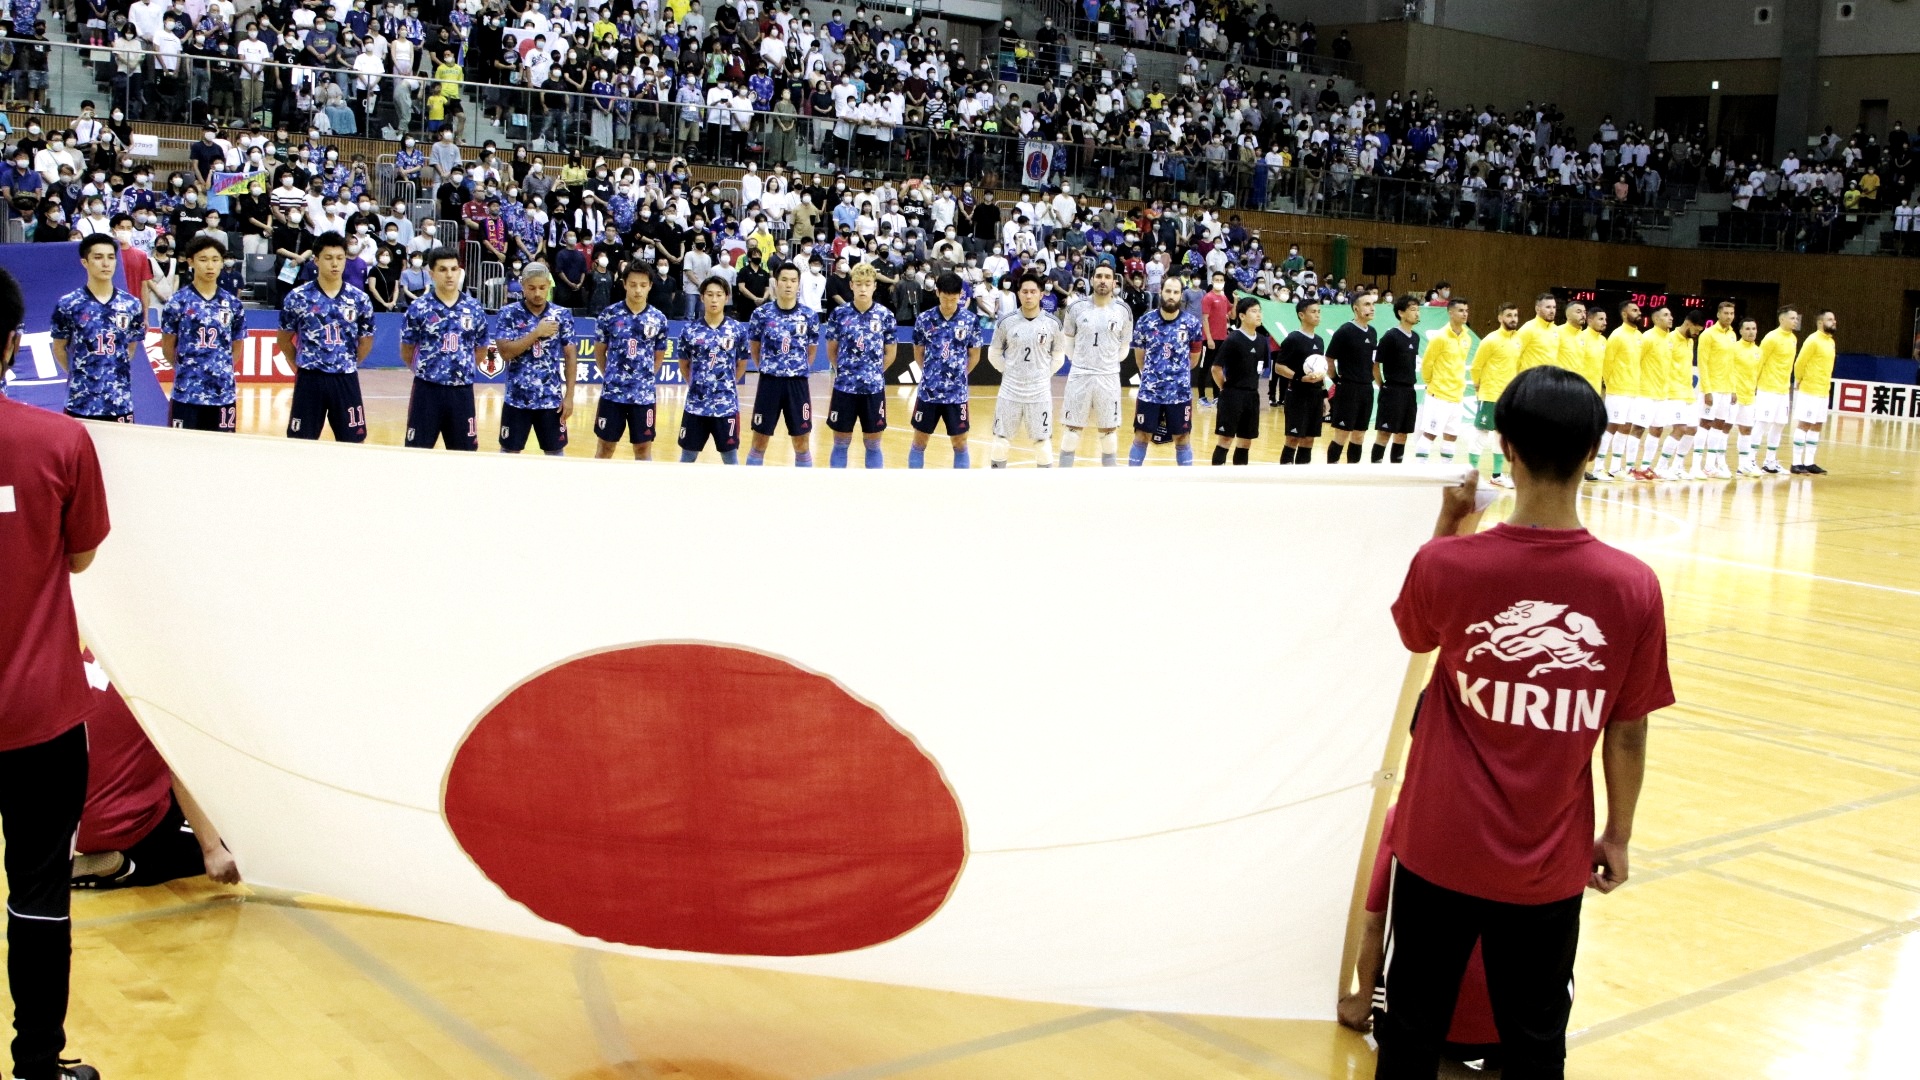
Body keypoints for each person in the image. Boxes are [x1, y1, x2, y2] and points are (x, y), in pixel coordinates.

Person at [1376, 365, 1672, 1080]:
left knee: (1411, 1031)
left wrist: (1449, 525)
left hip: (1436, 847)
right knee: (1536, 1042)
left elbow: (1416, 637)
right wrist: (1619, 835)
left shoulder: (1448, 564)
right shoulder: (1632, 587)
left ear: (1503, 446)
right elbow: (1627, 729)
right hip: (1547, 863)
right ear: (1595, 452)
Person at [0, 263, 112, 1080]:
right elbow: (79, 556)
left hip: (40, 716)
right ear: (13, 344)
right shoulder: (62, 441)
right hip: (37, 715)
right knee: (39, 893)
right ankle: (38, 1063)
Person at [1340, 805, 1500, 1071]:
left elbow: (1374, 924)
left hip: (1417, 1023)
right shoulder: (1538, 819)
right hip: (1515, 1033)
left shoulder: (1405, 814)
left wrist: (1364, 998)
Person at [69, 650, 241, 891]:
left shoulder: (98, 645)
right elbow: (183, 771)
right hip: (113, 826)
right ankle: (131, 867)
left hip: (61, 820)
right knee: (238, 843)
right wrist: (212, 849)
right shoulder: (169, 675)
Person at [278, 232, 375, 442]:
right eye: (328, 258)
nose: (335, 264)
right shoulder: (298, 297)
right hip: (310, 379)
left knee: (353, 441)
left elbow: (366, 339)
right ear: (316, 260)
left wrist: (349, 362)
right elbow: (284, 339)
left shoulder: (360, 299)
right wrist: (301, 365)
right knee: (300, 441)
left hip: (345, 378)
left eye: (340, 258)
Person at [399, 247, 490, 451]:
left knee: (464, 454)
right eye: (442, 269)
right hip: (427, 391)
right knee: (416, 452)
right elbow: (407, 350)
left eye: (453, 269)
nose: (449, 275)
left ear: (459, 271)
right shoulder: (419, 307)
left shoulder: (474, 308)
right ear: (431, 274)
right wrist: (430, 371)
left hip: (461, 392)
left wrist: (459, 370)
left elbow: (481, 350)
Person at [51, 233, 146, 423]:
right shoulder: (69, 304)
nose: (106, 263)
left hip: (120, 402)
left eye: (111, 257)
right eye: (98, 257)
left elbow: (132, 346)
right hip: (81, 402)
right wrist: (78, 372)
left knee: (121, 451)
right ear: (84, 262)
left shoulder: (131, 304)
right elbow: (59, 348)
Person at [158, 234, 245, 433]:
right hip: (186, 393)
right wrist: (189, 369)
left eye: (215, 260)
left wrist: (219, 371)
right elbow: (167, 348)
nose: (210, 266)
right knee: (183, 450)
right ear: (191, 262)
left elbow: (237, 347)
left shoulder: (233, 304)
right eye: (203, 260)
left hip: (222, 394)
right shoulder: (177, 302)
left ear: (222, 263)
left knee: (221, 449)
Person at [492, 262, 578, 456]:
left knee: (555, 454)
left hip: (551, 401)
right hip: (516, 399)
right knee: (508, 452)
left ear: (548, 285)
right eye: (531, 288)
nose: (538, 293)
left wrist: (570, 396)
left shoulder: (562, 315)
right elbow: (505, 352)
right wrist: (536, 333)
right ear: (523, 286)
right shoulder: (509, 313)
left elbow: (570, 356)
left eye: (542, 288)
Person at [1056, 263, 1133, 467]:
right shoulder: (1076, 307)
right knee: (1072, 430)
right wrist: (1082, 362)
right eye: (1098, 276)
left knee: (1108, 431)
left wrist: (1106, 363)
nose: (1102, 280)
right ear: (1092, 280)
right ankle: (1063, 477)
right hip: (1080, 375)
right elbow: (1067, 341)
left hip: (1108, 377)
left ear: (1114, 282)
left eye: (1107, 277)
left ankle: (1109, 481)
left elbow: (1124, 347)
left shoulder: (1123, 310)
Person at [745, 263, 821, 467]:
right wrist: (768, 367)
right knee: (759, 440)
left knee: (802, 442)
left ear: (798, 285)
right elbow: (755, 348)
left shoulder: (809, 316)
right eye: (784, 280)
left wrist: (798, 369)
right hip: (769, 383)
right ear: (776, 283)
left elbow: (811, 350)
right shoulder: (761, 315)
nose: (789, 285)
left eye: (793, 281)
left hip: (797, 384)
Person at [593, 262, 670, 461]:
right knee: (605, 448)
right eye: (633, 284)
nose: (638, 290)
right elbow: (600, 352)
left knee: (643, 450)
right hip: (612, 396)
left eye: (643, 285)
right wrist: (611, 376)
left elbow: (659, 355)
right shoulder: (609, 315)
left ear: (650, 286)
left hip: (643, 397)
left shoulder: (658, 319)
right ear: (624, 284)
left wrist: (643, 380)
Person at [822, 263, 895, 469]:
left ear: (874, 286)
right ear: (851, 285)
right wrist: (846, 372)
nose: (863, 288)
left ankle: (873, 490)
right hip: (844, 388)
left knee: (873, 444)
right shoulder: (839, 314)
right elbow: (832, 351)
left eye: (868, 284)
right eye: (859, 284)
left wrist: (873, 373)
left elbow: (890, 353)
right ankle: (838, 489)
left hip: (873, 390)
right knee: (840, 442)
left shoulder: (885, 315)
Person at [987, 273, 1062, 469]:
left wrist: (1043, 375)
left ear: (1041, 295)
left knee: (1042, 443)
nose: (1029, 296)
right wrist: (1009, 372)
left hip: (1039, 393)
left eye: (1033, 292)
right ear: (1018, 294)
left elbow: (1059, 356)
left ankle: (1043, 490)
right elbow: (993, 353)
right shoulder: (1006, 322)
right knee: (1000, 441)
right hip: (1010, 391)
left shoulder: (1053, 324)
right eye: (1025, 292)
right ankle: (997, 484)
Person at [909, 272, 982, 470]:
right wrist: (931, 375)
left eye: (953, 298)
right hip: (928, 393)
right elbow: (918, 352)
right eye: (944, 297)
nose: (949, 303)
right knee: (920, 440)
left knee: (960, 442)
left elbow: (974, 355)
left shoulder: (970, 320)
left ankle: (961, 488)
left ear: (960, 295)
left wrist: (961, 376)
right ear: (937, 292)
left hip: (957, 395)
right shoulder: (925, 319)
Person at [677, 276, 749, 464]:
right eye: (709, 294)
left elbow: (742, 363)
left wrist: (727, 385)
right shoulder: (690, 330)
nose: (714, 299)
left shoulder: (737, 330)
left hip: (726, 407)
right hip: (695, 406)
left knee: (730, 457)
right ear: (701, 297)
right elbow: (684, 364)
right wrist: (696, 384)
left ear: (727, 297)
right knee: (687, 457)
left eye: (719, 295)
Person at [1466, 302, 1521, 487]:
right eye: (1509, 315)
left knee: (1502, 436)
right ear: (1500, 318)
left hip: (1508, 398)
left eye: (1515, 315)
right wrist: (1478, 388)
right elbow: (1476, 366)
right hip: (1490, 395)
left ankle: (1497, 475)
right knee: (1481, 434)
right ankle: (1471, 474)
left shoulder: (1517, 340)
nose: (1513, 319)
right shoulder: (1490, 340)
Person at [1208, 296, 1266, 466]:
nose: (1258, 315)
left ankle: (1240, 479)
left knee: (1246, 441)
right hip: (1233, 395)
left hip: (1252, 396)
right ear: (1241, 316)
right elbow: (1216, 368)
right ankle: (1216, 478)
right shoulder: (1233, 339)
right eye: (1253, 311)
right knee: (1225, 439)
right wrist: (1226, 389)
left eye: (1259, 311)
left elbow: (1261, 370)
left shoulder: (1262, 341)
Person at [1412, 298, 1471, 463]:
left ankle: (1445, 472)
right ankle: (1421, 471)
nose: (1465, 314)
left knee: (1451, 436)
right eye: (1460, 310)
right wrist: (1433, 384)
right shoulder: (1440, 337)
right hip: (1439, 394)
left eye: (1466, 310)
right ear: (1450, 313)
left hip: (1457, 396)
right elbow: (1427, 364)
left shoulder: (1467, 337)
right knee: (1430, 434)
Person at [1325, 292, 1379, 463]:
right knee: (1342, 433)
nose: (1371, 308)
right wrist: (1336, 381)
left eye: (1372, 304)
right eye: (1367, 304)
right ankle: (1331, 471)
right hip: (1348, 389)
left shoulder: (1372, 332)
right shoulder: (1345, 331)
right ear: (1356, 308)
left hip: (1366, 389)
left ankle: (1352, 471)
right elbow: (1329, 359)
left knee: (1359, 435)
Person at [1596, 300, 1646, 480]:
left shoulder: (1640, 336)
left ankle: (1616, 467)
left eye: (1639, 309)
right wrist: (1611, 385)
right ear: (1625, 314)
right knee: (1611, 426)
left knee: (1626, 427)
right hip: (1618, 390)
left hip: (1634, 390)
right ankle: (1598, 467)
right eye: (1634, 310)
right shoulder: (1617, 335)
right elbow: (1607, 363)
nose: (1638, 312)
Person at [1275, 297, 1328, 464]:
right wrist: (1300, 378)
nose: (1317, 315)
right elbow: (1279, 367)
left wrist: (1325, 395)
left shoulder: (1319, 340)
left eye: (1319, 312)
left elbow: (1321, 370)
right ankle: (1285, 474)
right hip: (1297, 395)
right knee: (1293, 437)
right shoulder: (1293, 339)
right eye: (1313, 312)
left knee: (1309, 439)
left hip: (1315, 395)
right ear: (1301, 315)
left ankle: (1303, 474)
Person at [1656, 311, 1705, 480]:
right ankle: (1661, 466)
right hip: (1673, 391)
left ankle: (1677, 466)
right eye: (1697, 330)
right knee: (1680, 428)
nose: (1697, 334)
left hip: (1688, 392)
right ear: (1689, 323)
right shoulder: (1670, 340)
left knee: (1692, 429)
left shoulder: (1689, 341)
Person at [1373, 294, 1422, 463]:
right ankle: (1375, 470)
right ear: (1401, 313)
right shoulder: (1390, 336)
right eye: (1413, 309)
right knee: (1384, 433)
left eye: (1418, 309)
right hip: (1392, 391)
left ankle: (1396, 469)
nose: (1417, 313)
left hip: (1409, 392)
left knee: (1402, 434)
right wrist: (1383, 386)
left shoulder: (1415, 337)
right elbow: (1375, 365)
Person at [1695, 300, 1740, 480]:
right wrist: (1707, 390)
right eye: (1726, 313)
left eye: (1731, 314)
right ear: (1718, 314)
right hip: (1712, 388)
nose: (1729, 317)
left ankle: (1710, 465)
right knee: (1705, 423)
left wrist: (1733, 389)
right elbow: (1702, 363)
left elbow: (1731, 364)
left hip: (1727, 388)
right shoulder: (1708, 335)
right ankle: (1697, 465)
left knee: (1719, 425)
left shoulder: (1732, 335)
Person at [1752, 306, 1800, 475]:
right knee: (1762, 423)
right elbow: (1760, 361)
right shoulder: (1771, 338)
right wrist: (1754, 386)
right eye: (1792, 318)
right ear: (1782, 319)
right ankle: (1750, 460)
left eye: (1796, 318)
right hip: (1768, 389)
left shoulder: (1793, 339)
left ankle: (1770, 461)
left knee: (1780, 424)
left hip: (1783, 390)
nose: (1796, 321)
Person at [1790, 308, 1836, 475]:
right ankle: (1796, 463)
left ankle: (1809, 462)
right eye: (1830, 319)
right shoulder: (1813, 340)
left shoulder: (1830, 341)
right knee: (1804, 424)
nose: (1834, 322)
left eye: (1834, 319)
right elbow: (1800, 362)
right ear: (1820, 322)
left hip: (1824, 390)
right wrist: (1799, 379)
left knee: (1817, 425)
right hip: (1810, 389)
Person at [1728, 315, 1764, 476]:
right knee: (1724, 429)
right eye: (1748, 329)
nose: (1751, 332)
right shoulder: (1734, 348)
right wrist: (1732, 390)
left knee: (1746, 430)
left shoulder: (1758, 351)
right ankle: (1714, 463)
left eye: (1754, 329)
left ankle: (1744, 465)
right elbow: (1727, 370)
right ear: (1740, 331)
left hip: (1750, 397)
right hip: (1734, 396)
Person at [1197, 271, 1231, 408]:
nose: (1219, 281)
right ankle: (1201, 396)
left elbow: (1232, 314)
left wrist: (1236, 300)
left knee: (1217, 368)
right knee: (1205, 367)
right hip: (1209, 339)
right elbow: (1204, 319)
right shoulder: (1208, 297)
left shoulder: (1224, 297)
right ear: (1212, 280)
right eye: (1216, 279)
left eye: (1221, 279)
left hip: (1222, 339)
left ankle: (1217, 396)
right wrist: (1209, 338)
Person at [1513, 293, 1558, 374]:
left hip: (1550, 381)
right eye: (1548, 307)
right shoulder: (1528, 328)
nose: (1552, 311)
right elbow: (1513, 355)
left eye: (1554, 307)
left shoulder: (1556, 330)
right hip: (1531, 381)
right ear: (1537, 309)